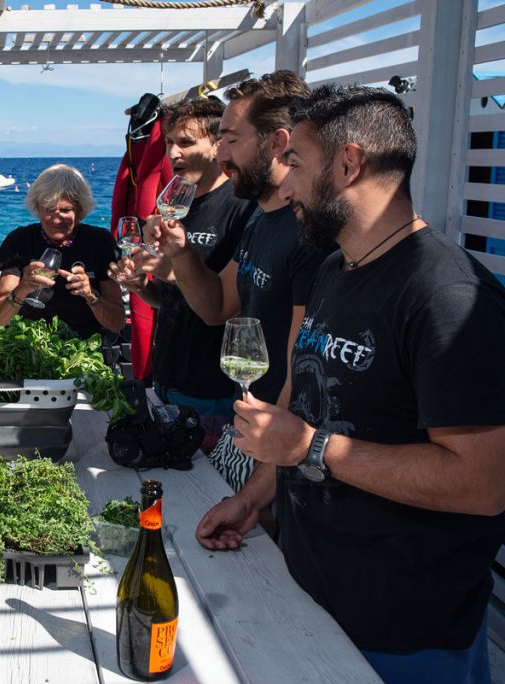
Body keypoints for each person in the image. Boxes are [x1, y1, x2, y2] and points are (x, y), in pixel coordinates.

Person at [198, 84, 505, 684]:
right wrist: (254, 497)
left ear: (349, 163)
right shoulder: (339, 268)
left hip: (408, 638)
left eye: (297, 166)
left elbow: (483, 482)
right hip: (311, 593)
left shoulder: (448, 297)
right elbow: (305, 403)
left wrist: (313, 448)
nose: (285, 188)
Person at [136, 71, 326, 492]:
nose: (220, 152)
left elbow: (299, 380)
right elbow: (215, 307)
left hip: (280, 452)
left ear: (276, 143)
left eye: (231, 139)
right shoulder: (262, 221)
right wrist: (180, 251)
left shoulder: (306, 234)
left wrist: (259, 490)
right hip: (251, 430)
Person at [113, 99, 256, 451]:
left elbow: (234, 305)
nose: (174, 153)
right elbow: (170, 301)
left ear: (218, 144)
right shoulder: (178, 205)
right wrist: (143, 288)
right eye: (169, 143)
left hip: (215, 389)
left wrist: (172, 269)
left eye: (187, 143)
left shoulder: (242, 208)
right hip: (167, 378)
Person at [0, 163, 125, 338]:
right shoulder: (20, 240)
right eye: (49, 210)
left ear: (80, 209)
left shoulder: (99, 241)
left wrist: (90, 295)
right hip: (28, 348)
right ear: (37, 209)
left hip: (82, 352)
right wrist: (23, 288)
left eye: (65, 210)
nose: (56, 219)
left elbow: (117, 323)